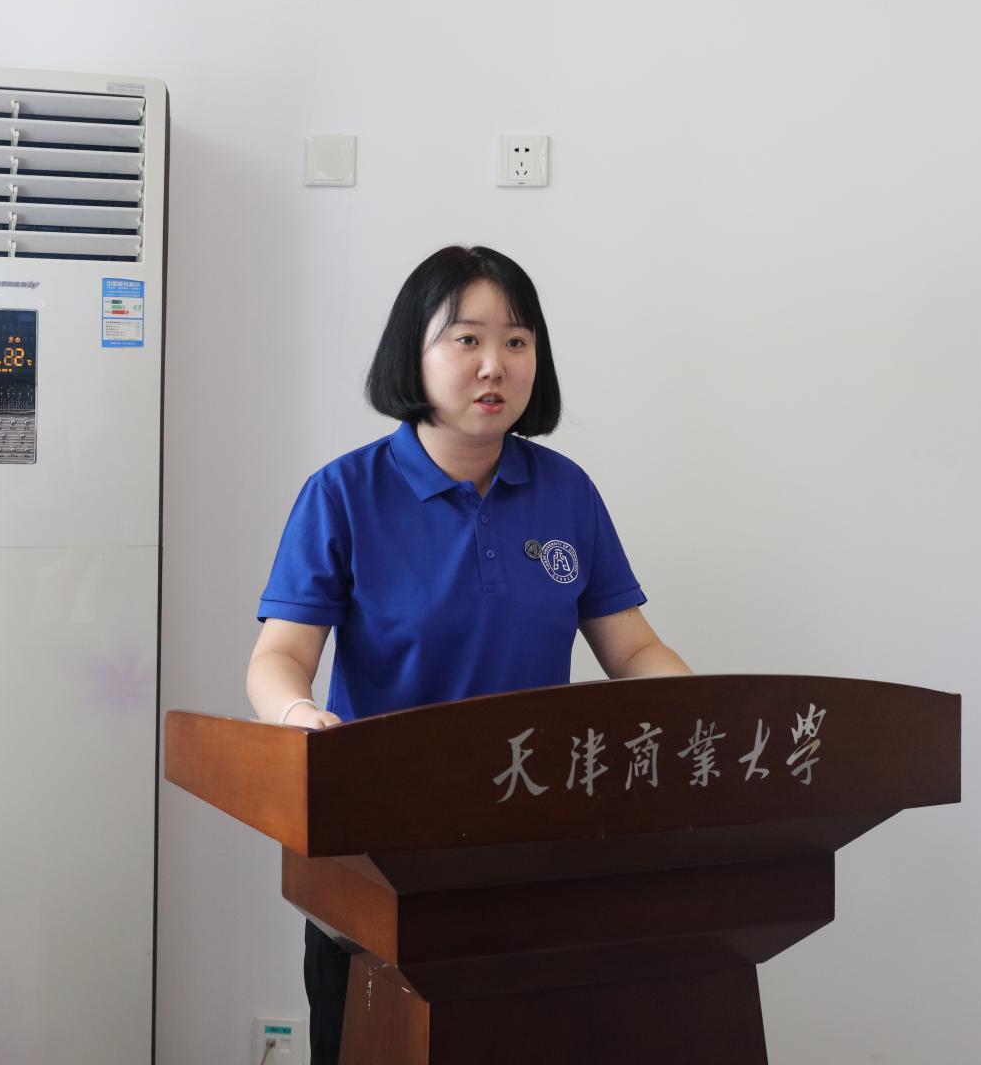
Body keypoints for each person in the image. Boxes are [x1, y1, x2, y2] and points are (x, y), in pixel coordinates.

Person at [245, 244, 692, 1065]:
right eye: (467, 340)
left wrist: (706, 715)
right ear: (412, 354)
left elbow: (632, 649)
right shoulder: (343, 493)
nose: (495, 365)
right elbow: (279, 656)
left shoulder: (566, 491)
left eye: (517, 341)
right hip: (379, 848)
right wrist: (300, 717)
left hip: (529, 845)